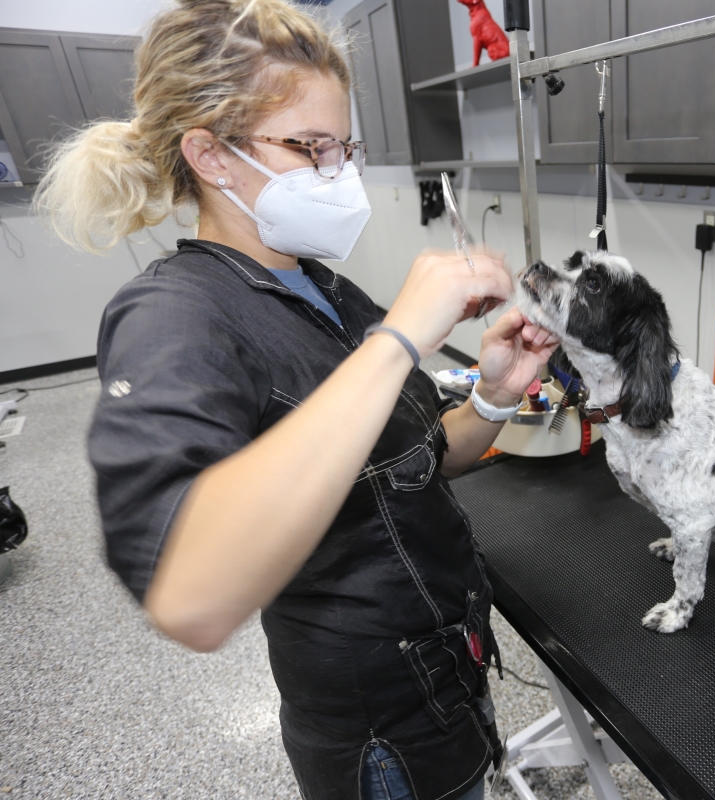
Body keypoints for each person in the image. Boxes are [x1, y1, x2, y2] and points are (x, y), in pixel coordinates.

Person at [33, 2, 559, 798]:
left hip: (447, 681)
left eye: (344, 148)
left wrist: (491, 397)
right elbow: (191, 596)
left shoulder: (322, 287)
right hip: (379, 733)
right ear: (209, 155)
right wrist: (400, 339)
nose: (339, 174)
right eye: (310, 148)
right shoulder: (174, 315)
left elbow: (412, 460)